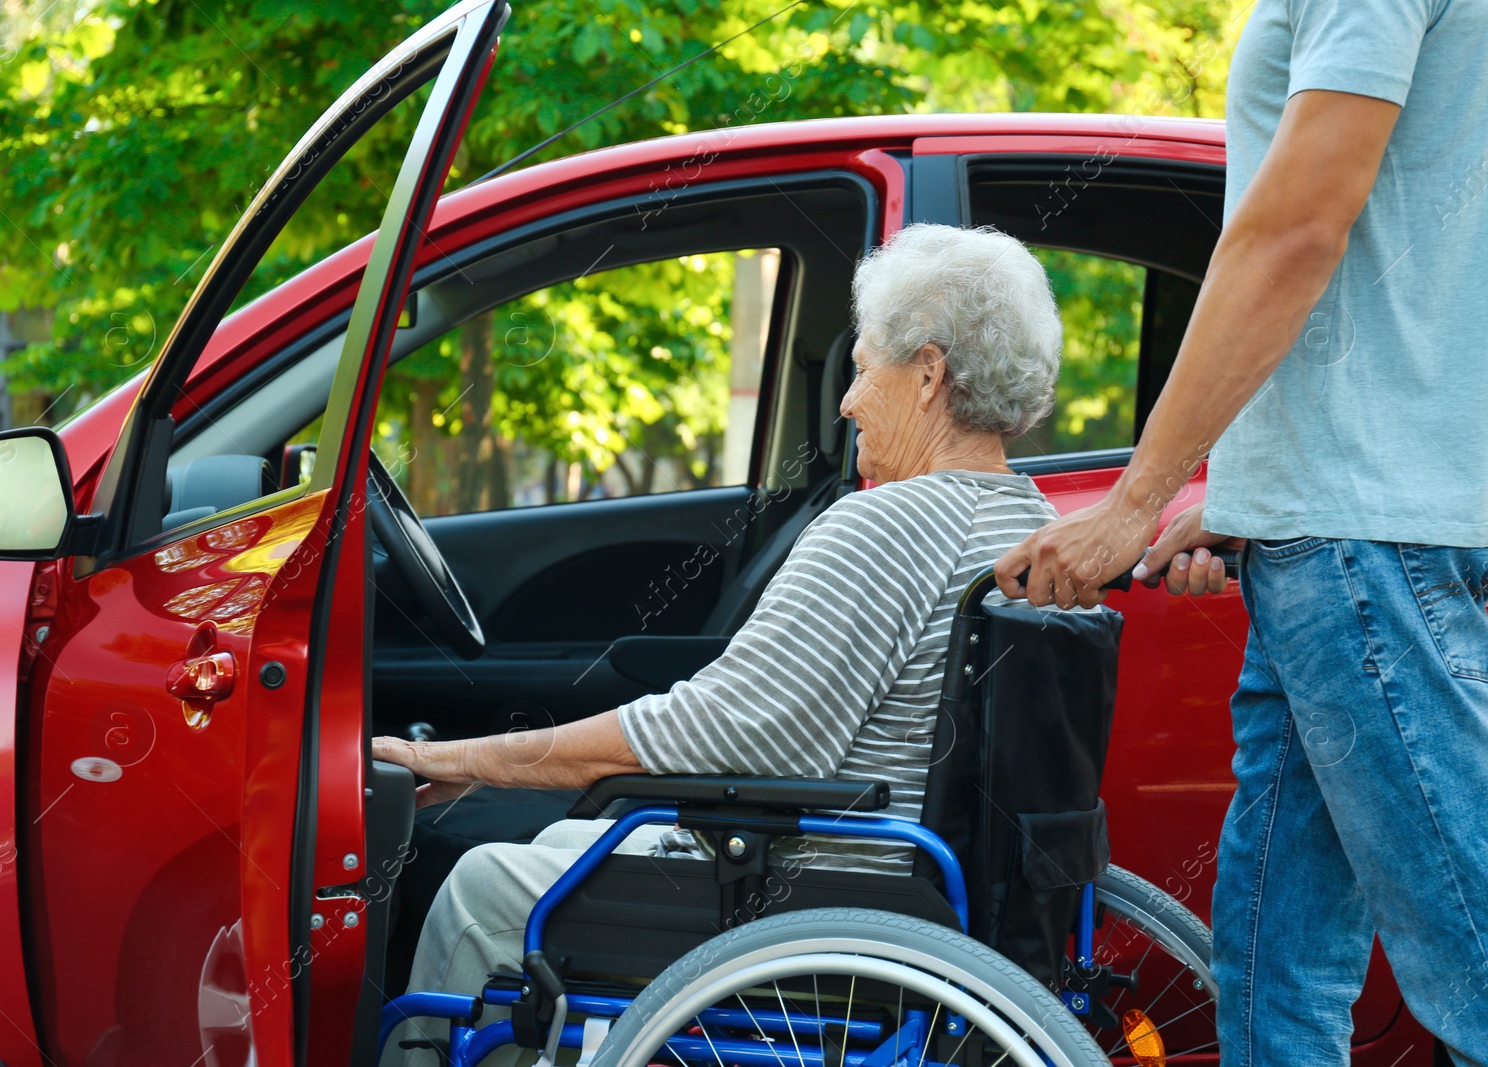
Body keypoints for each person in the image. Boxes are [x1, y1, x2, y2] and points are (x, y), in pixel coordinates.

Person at [372, 222, 1066, 1063]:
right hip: (916, 887)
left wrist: (467, 759)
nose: (846, 403)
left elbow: (722, 737)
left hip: (813, 896)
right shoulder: (1034, 524)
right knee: (556, 846)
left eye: (859, 372)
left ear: (927, 373)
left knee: (479, 890)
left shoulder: (884, 525)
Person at [993, 3, 1488, 1064]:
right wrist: (1245, 488)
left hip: (1360, 540)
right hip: (1339, 526)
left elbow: (1296, 229)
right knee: (1269, 972)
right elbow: (1402, 262)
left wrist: (1134, 498)